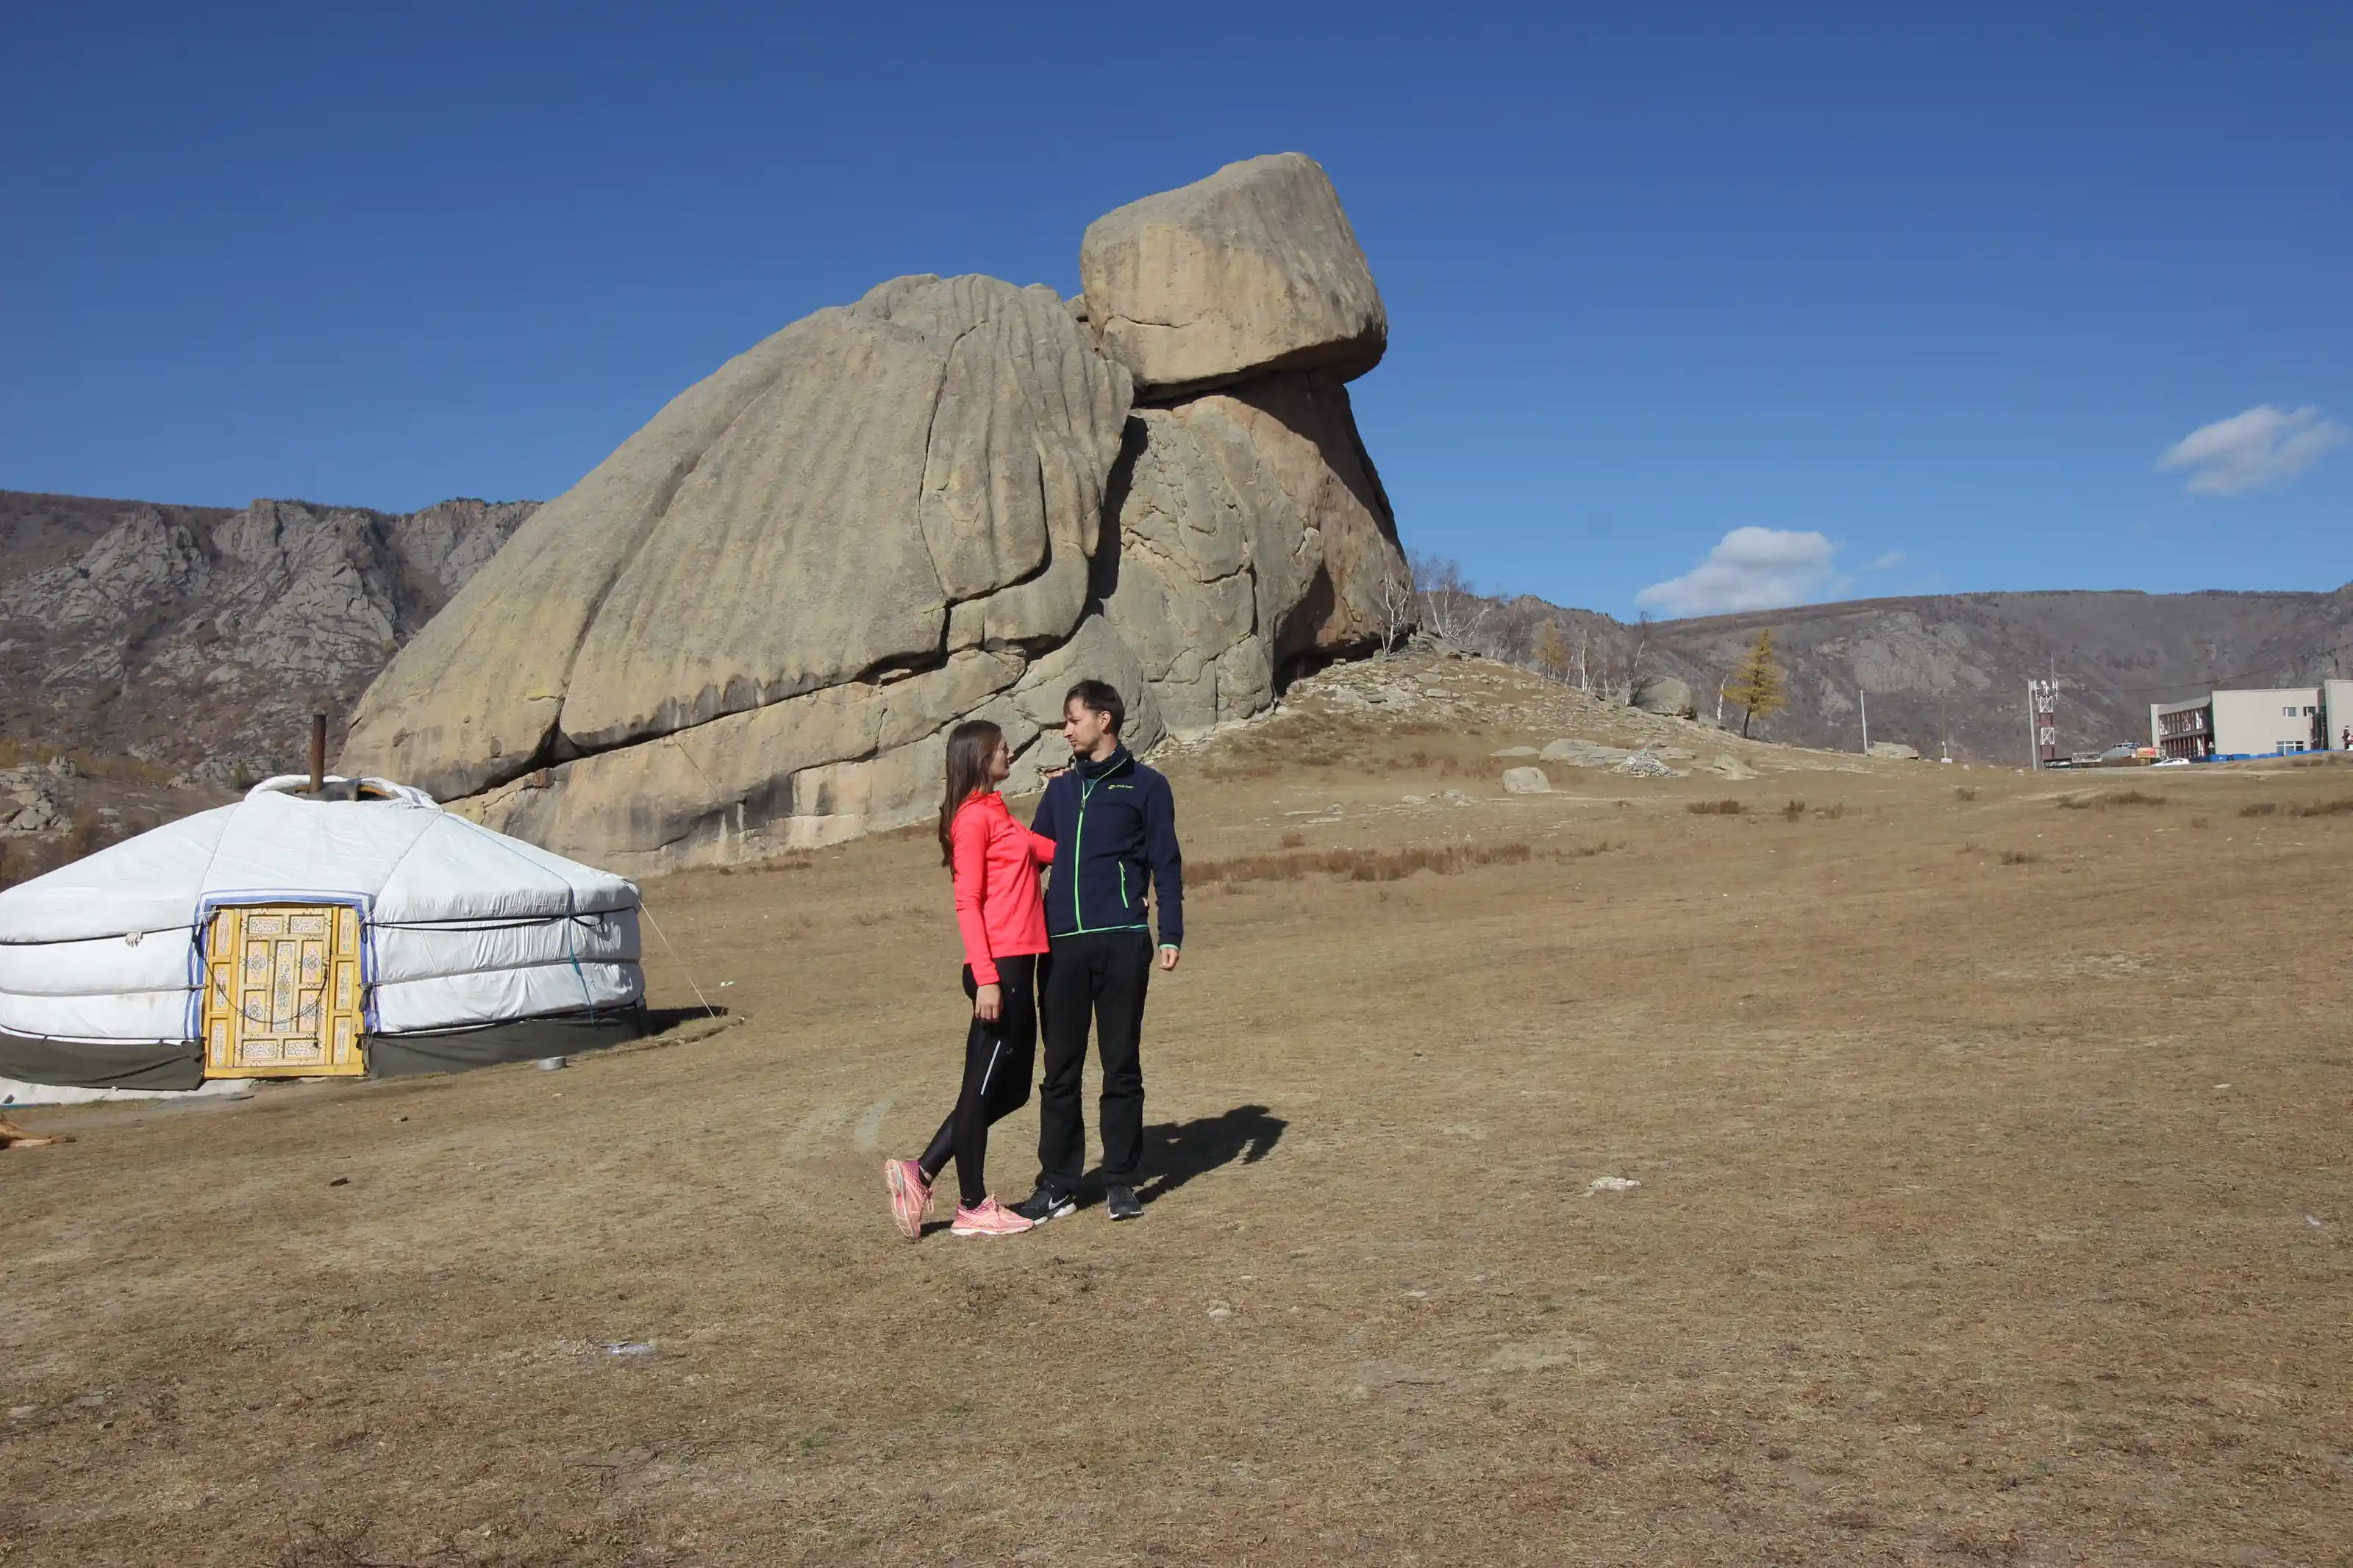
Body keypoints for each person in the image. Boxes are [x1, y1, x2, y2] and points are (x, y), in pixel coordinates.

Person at [1013, 680, 1183, 1225]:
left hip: (1123, 941)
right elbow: (1030, 862)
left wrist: (1171, 931)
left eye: (1072, 719)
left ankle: (1120, 1180)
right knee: (1059, 1069)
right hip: (1061, 946)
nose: (1066, 730)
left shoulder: (1148, 786)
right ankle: (1058, 1183)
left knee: (1120, 1065)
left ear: (1104, 720)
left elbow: (1167, 863)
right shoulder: (1059, 792)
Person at [882, 720, 1057, 1239]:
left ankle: (919, 1171)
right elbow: (968, 901)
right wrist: (986, 979)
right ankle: (973, 1205)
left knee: (1013, 1089)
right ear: (978, 757)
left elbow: (1046, 850)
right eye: (999, 744)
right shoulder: (971, 819)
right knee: (979, 1090)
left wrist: (1069, 790)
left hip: (1019, 964)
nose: (1008, 748)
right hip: (998, 969)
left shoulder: (997, 812)